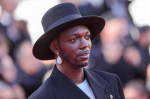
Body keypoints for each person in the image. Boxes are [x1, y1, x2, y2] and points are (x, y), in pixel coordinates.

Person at [29, 2, 124, 99]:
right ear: (55, 47)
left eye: (87, 37)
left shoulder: (110, 81)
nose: (85, 45)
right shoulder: (43, 96)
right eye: (74, 39)